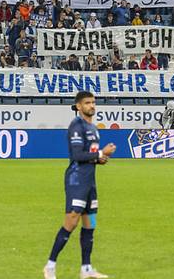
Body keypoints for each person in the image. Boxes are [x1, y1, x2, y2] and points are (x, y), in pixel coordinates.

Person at [43, 91, 116, 279]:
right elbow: (77, 155)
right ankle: (50, 266)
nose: (92, 106)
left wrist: (100, 160)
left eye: (93, 102)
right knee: (71, 221)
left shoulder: (93, 128)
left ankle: (86, 268)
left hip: (90, 181)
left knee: (90, 224)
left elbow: (88, 155)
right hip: (76, 180)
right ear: (78, 106)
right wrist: (100, 153)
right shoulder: (77, 126)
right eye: (87, 103)